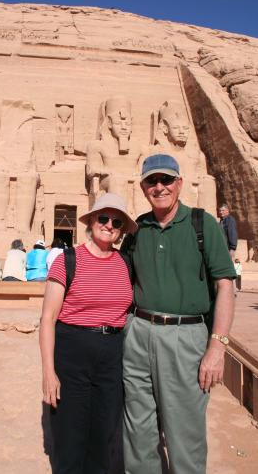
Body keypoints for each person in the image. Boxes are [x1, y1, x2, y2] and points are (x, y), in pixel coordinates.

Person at [121, 154, 236, 474]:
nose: (159, 187)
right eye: (152, 181)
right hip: (139, 334)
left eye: (166, 180)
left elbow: (225, 286)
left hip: (185, 337)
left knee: (184, 434)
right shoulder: (136, 229)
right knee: (138, 433)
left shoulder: (203, 224)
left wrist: (218, 346)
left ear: (180, 183)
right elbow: (119, 282)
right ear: (142, 186)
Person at [39, 193, 138, 474]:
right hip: (72, 350)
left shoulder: (125, 264)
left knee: (104, 434)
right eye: (103, 218)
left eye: (116, 222)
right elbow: (47, 319)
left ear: (121, 230)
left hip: (112, 352)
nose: (109, 225)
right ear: (92, 220)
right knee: (70, 435)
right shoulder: (67, 261)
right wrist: (49, 371)